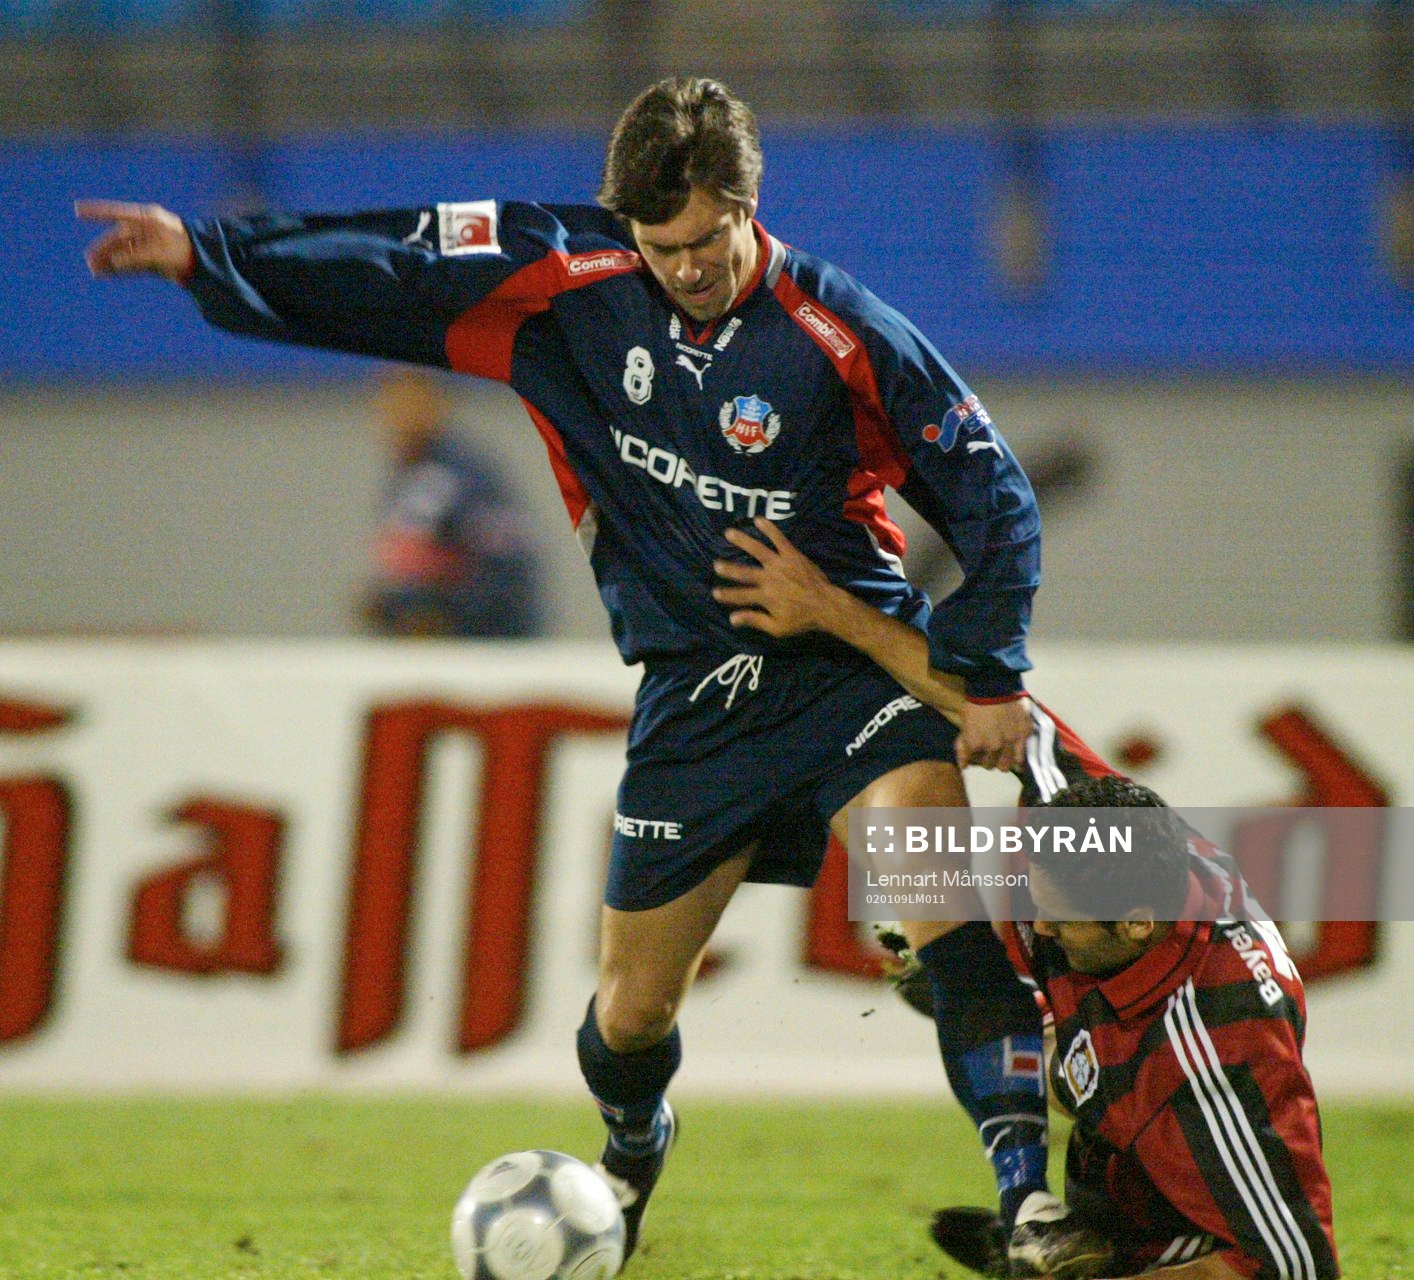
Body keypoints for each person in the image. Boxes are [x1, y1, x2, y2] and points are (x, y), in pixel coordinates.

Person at [77, 76, 1099, 1274]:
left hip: (850, 677)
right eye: (663, 244)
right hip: (695, 705)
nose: (688, 266)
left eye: (711, 238)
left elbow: (996, 497)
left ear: (750, 207)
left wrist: (986, 671)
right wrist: (210, 254)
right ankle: (628, 1149)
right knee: (629, 1016)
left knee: (947, 904)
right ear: (630, 225)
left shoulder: (844, 331)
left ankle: (1032, 1206)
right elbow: (390, 264)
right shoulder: (564, 279)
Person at [709, 519, 1339, 1279]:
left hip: (1183, 1228)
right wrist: (828, 607)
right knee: (1039, 1034)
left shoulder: (1221, 1051)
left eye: (1054, 915)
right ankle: (1062, 1231)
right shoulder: (1100, 821)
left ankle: (1093, 1262)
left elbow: (1294, 1269)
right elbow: (982, 705)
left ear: (1137, 920)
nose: (1036, 922)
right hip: (1127, 1091)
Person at [364, 364, 542, 638]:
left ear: (437, 405)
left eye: (412, 402)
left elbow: (501, 572)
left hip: (484, 640)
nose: (400, 414)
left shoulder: (446, 474)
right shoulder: (417, 470)